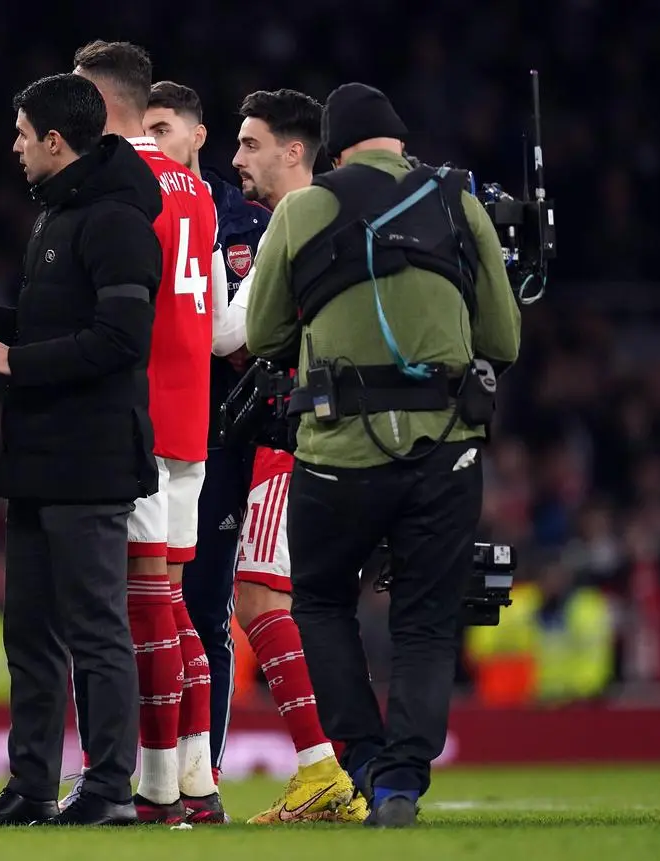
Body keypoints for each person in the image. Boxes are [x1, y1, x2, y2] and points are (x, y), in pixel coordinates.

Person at [244, 82, 521, 828]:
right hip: (447, 452)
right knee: (427, 621)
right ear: (399, 143)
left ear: (334, 151)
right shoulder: (460, 201)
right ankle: (402, 779)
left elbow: (266, 334)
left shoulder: (304, 207)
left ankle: (363, 759)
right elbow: (504, 339)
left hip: (338, 453)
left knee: (322, 603)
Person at [0, 71, 162, 827]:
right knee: (29, 632)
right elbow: (62, 329)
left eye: (24, 135)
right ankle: (31, 784)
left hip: (91, 458)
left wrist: (13, 361)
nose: (16, 148)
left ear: (56, 142)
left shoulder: (117, 220)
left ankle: (108, 787)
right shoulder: (59, 214)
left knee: (96, 625)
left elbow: (123, 340)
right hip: (37, 455)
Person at [71, 39, 223, 825]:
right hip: (190, 415)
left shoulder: (120, 183)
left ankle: (159, 786)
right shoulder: (196, 190)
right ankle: (196, 781)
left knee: (146, 610)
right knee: (172, 604)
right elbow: (225, 325)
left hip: (138, 418)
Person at [226, 88, 373, 824]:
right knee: (305, 605)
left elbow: (242, 334)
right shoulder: (343, 217)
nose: (236, 157)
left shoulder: (301, 218)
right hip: (332, 434)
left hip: (298, 430)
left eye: (250, 144)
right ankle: (349, 766)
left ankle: (324, 768)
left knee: (260, 600)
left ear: (295, 150)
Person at [142, 79, 271, 804]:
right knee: (144, 602)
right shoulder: (133, 205)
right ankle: (150, 766)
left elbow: (233, 336)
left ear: (196, 137)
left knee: (200, 602)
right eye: (146, 127)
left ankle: (202, 771)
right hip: (155, 427)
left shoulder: (236, 217)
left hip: (217, 436)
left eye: (165, 128)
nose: (152, 142)